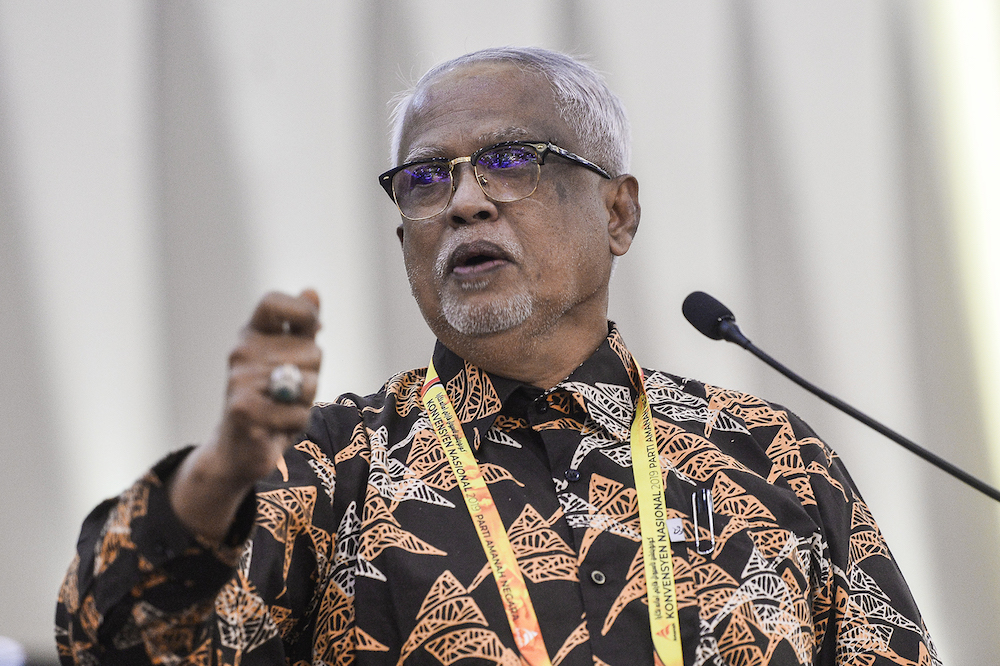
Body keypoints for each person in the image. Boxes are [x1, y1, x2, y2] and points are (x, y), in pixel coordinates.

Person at [55, 47, 939, 666]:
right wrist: (215, 474)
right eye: (426, 179)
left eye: (513, 159)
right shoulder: (327, 468)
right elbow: (106, 639)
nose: (466, 202)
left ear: (619, 214)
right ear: (404, 232)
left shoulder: (769, 454)